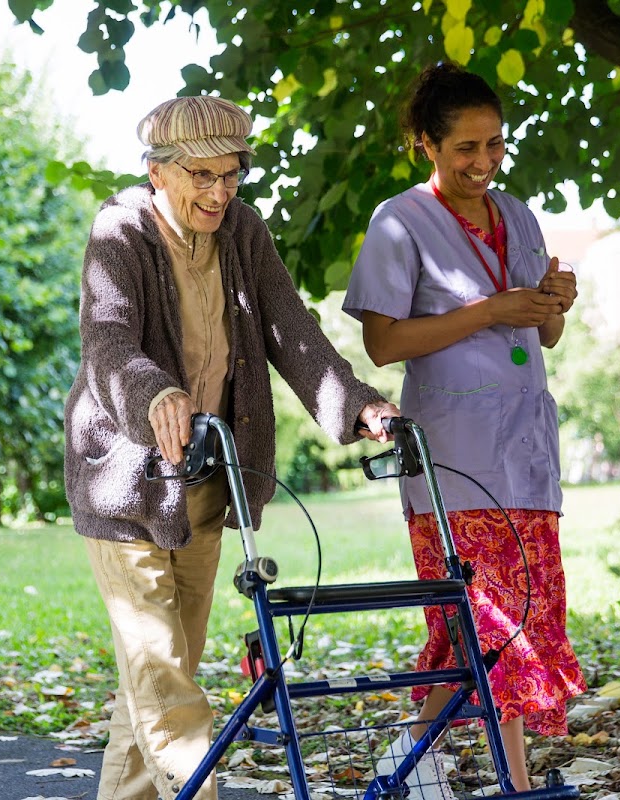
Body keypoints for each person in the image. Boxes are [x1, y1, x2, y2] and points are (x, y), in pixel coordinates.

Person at [64, 94, 400, 800]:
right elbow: (108, 340)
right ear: (159, 172)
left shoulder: (242, 232)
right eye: (202, 176)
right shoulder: (120, 232)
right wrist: (154, 391)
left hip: (207, 485)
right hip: (126, 484)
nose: (220, 192)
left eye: (232, 176)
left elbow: (292, 332)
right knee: (160, 672)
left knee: (159, 676)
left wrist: (357, 403)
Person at [343, 63, 586, 796]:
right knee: (488, 626)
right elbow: (383, 343)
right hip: (452, 459)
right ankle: (514, 784)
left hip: (524, 453)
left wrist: (555, 302)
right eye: (465, 149)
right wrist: (488, 310)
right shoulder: (398, 222)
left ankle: (402, 773)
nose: (483, 163)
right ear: (427, 145)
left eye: (495, 146)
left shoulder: (518, 215)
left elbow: (546, 337)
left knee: (488, 630)